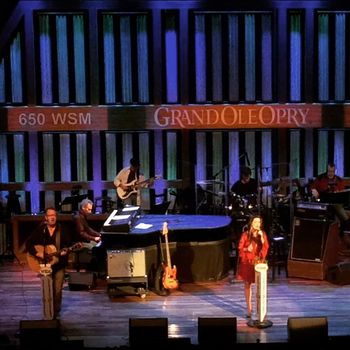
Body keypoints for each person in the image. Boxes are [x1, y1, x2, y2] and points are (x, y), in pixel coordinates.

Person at [26, 207, 75, 319]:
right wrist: (37, 254)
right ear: (46, 218)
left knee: (57, 290)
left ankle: (55, 314)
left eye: (54, 215)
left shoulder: (63, 230)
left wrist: (65, 252)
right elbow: (29, 244)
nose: (52, 217)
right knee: (47, 289)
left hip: (59, 264)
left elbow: (68, 245)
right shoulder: (41, 230)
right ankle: (48, 312)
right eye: (50, 215)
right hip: (45, 266)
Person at [236, 215, 269, 318]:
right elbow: (240, 248)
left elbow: (266, 247)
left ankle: (260, 308)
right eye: (255, 222)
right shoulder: (245, 234)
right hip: (247, 262)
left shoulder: (262, 234)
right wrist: (247, 249)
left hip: (258, 262)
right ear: (251, 223)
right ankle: (249, 309)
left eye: (259, 222)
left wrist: (262, 239)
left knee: (260, 285)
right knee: (247, 284)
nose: (257, 224)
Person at [310, 162, 350, 233]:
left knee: (336, 206)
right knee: (333, 206)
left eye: (332, 171)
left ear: (335, 171)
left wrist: (338, 192)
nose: (330, 173)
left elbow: (342, 193)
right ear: (326, 170)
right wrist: (313, 190)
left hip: (336, 202)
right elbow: (312, 187)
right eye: (329, 171)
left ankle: (343, 227)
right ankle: (346, 224)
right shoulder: (320, 178)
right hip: (320, 200)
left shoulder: (339, 180)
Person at [73, 199, 105, 273]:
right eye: (89, 209)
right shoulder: (77, 217)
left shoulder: (82, 216)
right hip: (78, 243)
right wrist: (94, 238)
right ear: (83, 208)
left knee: (100, 247)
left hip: (85, 240)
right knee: (96, 249)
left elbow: (88, 229)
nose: (90, 212)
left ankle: (96, 270)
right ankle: (94, 270)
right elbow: (82, 233)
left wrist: (99, 234)